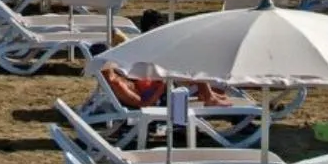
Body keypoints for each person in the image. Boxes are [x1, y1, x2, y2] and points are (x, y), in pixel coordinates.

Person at [98, 63, 234, 109]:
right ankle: (209, 97)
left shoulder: (116, 77)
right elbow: (144, 103)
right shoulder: (117, 83)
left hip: (157, 90)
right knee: (192, 69)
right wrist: (162, 85)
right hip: (160, 99)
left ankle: (209, 94)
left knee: (192, 72)